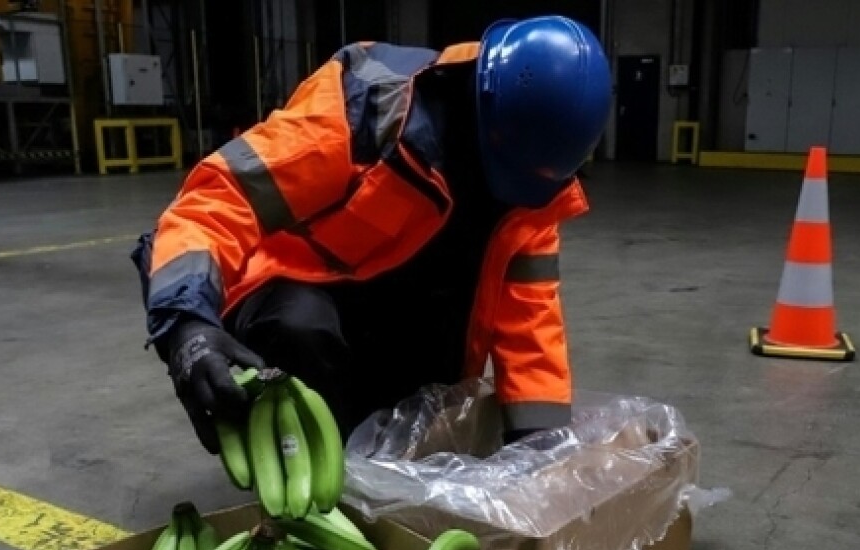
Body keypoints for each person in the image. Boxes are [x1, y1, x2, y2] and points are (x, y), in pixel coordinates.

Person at [131, 16, 612, 454]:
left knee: (439, 379)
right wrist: (185, 325)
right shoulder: (365, 104)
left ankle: (371, 471)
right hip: (289, 293)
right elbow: (219, 199)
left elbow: (531, 323)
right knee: (300, 330)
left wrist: (542, 452)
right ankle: (301, 468)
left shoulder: (532, 189)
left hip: (388, 309)